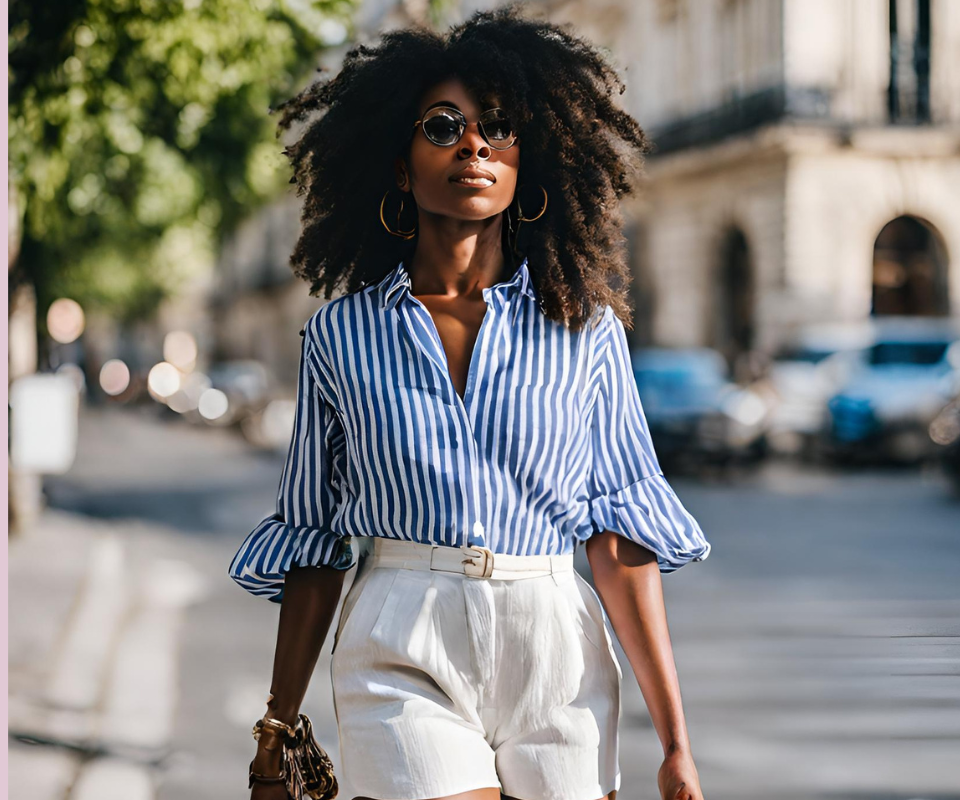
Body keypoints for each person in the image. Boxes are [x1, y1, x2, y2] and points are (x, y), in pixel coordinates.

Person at [228, 8, 713, 800]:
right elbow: (313, 542)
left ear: (529, 161)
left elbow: (621, 540)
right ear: (398, 162)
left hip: (555, 648)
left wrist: (676, 741)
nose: (475, 144)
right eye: (444, 125)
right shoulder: (341, 338)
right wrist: (277, 731)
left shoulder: (583, 332)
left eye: (499, 126)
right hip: (399, 640)